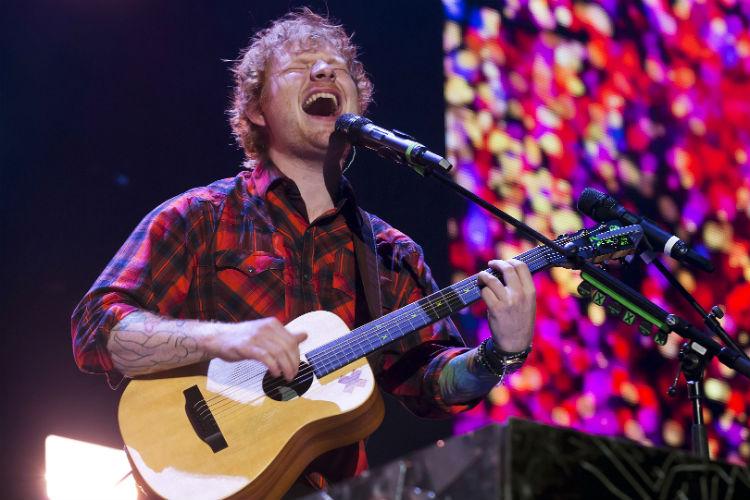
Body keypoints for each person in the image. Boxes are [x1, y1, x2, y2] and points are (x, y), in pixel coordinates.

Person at [71, 8, 536, 494]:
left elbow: (433, 386)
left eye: (339, 68)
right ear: (257, 110)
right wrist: (220, 339)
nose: (324, 71)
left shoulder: (391, 254)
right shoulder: (200, 217)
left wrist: (499, 355)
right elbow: (95, 328)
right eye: (299, 65)